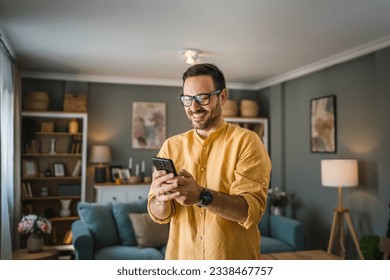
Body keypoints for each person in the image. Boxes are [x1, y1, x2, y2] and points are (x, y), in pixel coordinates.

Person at [147, 63, 271, 260]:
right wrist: (161, 199)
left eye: (202, 98)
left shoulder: (247, 141)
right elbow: (159, 214)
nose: (194, 107)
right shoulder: (170, 146)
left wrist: (201, 196)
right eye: (187, 99)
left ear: (222, 97)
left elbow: (250, 211)